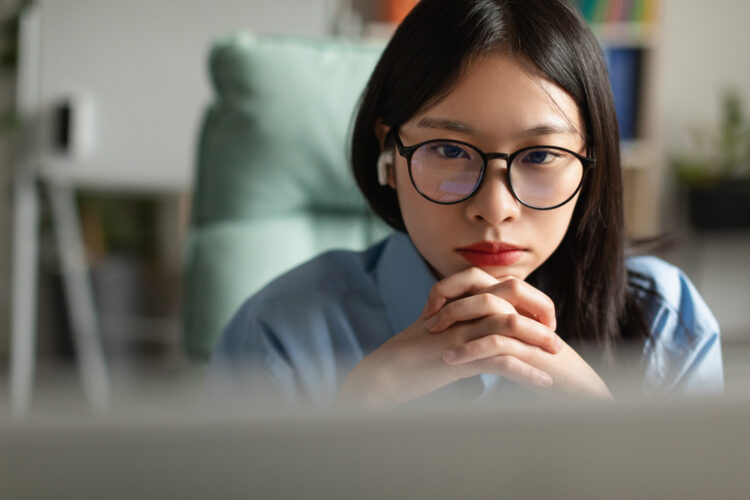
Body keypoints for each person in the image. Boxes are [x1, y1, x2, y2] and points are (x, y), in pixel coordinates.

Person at [210, 0, 723, 407]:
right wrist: (356, 410)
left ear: (590, 164)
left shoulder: (665, 319)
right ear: (390, 152)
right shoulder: (279, 333)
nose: (494, 207)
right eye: (450, 151)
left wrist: (605, 427)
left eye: (541, 154)